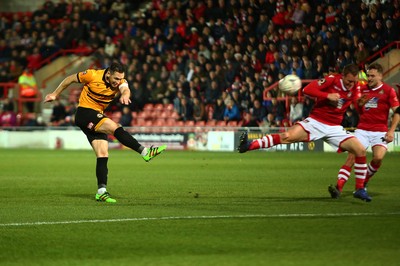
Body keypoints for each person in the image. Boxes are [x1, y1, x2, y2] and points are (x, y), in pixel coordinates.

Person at [237, 64, 372, 202]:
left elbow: (357, 105)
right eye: (349, 81)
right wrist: (327, 95)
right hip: (316, 122)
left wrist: (360, 104)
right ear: (343, 76)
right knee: (287, 136)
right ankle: (248, 145)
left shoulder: (356, 87)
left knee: (360, 150)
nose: (351, 84)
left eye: (354, 81)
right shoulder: (332, 79)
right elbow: (308, 89)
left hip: (335, 128)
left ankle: (360, 189)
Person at [44, 62, 167, 203]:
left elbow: (125, 89)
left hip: (96, 115)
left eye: (120, 79)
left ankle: (101, 192)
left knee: (103, 154)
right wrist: (55, 94)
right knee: (114, 127)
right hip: (84, 113)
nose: (118, 82)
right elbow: (70, 79)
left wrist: (125, 95)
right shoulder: (92, 75)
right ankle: (145, 152)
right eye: (115, 78)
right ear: (108, 74)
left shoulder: (121, 81)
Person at [329, 63, 400, 200]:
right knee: (351, 157)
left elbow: (397, 112)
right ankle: (338, 187)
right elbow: (356, 105)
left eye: (372, 76)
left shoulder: (388, 91)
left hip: (380, 131)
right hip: (362, 129)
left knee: (378, 158)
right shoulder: (361, 89)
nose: (369, 78)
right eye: (368, 75)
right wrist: (358, 105)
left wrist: (391, 131)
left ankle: (364, 180)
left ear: (381, 75)